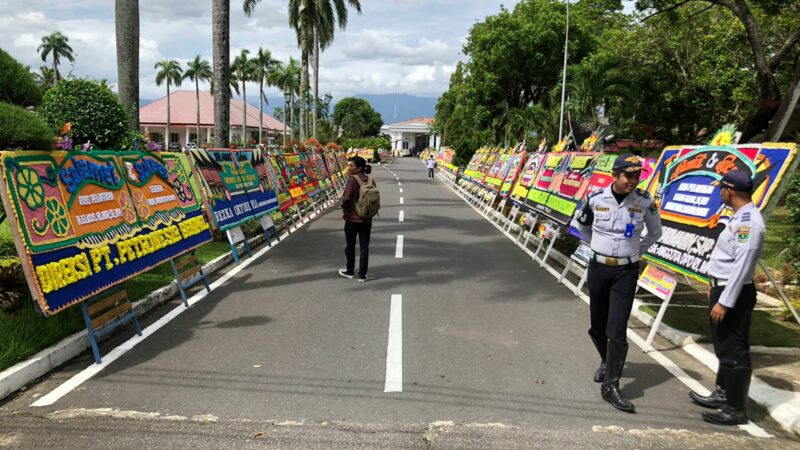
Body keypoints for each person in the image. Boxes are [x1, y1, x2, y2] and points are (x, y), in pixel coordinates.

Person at [573, 154, 662, 413]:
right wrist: (597, 247)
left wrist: (635, 251)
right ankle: (606, 360)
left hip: (626, 272)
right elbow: (584, 226)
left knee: (617, 329)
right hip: (599, 268)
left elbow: (655, 232)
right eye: (628, 175)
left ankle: (611, 386)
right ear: (615, 175)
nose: (633, 181)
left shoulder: (644, 202)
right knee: (597, 326)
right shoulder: (595, 199)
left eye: (637, 176)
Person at [689, 170, 765, 426]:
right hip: (723, 288)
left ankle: (736, 408)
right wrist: (714, 286)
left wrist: (725, 301)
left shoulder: (748, 223)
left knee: (734, 349)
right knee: (724, 345)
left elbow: (743, 266)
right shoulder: (740, 216)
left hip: (734, 294)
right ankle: (723, 393)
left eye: (720, 188)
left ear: (729, 191)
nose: (719, 192)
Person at [339, 156, 374, 282]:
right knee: (364, 246)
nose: (349, 168)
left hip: (353, 218)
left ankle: (350, 270)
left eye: (351, 166)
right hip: (367, 218)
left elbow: (346, 198)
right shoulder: (370, 180)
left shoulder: (352, 179)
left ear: (358, 168)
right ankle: (362, 275)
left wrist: (345, 210)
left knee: (350, 245)